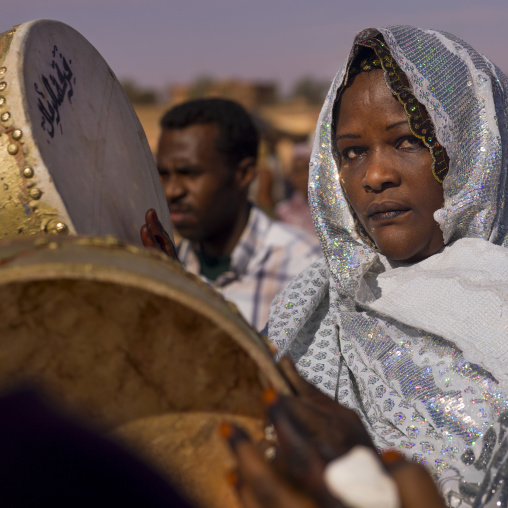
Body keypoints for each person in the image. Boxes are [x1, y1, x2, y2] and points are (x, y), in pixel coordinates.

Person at [268, 26, 508, 507]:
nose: (375, 176)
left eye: (407, 141)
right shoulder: (315, 305)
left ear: (474, 148)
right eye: (353, 152)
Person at [156, 98, 321, 331]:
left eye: (189, 173)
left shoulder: (308, 268)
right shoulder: (169, 267)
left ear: (243, 174)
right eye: (164, 174)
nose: (172, 191)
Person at [275, 143, 316, 235]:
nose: (303, 177)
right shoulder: (284, 211)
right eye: (297, 171)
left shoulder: (332, 209)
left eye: (307, 169)